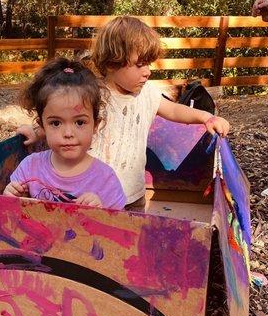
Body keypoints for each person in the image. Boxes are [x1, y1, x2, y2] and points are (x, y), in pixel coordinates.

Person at [19, 16, 230, 212]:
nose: (147, 71)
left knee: (131, 242)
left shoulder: (147, 93)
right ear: (112, 63)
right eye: (140, 65)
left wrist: (205, 117)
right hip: (95, 194)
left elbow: (174, 110)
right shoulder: (94, 95)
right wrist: (36, 133)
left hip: (134, 193)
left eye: (148, 64)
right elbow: (63, 118)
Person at [3, 57, 126, 210]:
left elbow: (120, 227)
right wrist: (10, 196)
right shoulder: (30, 167)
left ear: (96, 125)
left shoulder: (105, 179)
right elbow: (10, 215)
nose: (68, 133)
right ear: (42, 126)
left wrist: (100, 212)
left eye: (80, 122)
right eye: (55, 123)